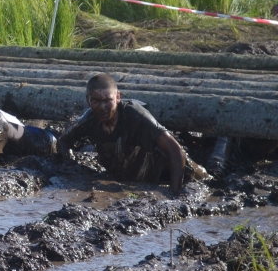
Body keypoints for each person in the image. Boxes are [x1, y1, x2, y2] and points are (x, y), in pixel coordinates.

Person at [57, 73, 206, 194]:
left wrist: (176, 193)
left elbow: (177, 152)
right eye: (96, 101)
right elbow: (63, 142)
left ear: (117, 97)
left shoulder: (135, 116)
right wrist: (72, 169)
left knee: (208, 180)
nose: (102, 107)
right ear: (88, 100)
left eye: (107, 100)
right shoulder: (88, 120)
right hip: (137, 179)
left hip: (184, 175)